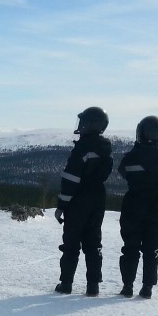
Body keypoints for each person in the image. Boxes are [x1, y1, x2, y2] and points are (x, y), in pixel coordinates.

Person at [54, 106, 113, 296]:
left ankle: (66, 283)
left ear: (91, 125)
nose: (80, 126)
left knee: (71, 243)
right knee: (94, 242)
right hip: (98, 197)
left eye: (84, 122)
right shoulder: (105, 148)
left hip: (78, 199)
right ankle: (93, 285)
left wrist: (62, 204)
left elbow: (71, 178)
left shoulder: (83, 148)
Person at [117, 116, 158, 299]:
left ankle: (127, 286)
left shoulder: (131, 157)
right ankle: (147, 287)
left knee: (130, 246)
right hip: (157, 204)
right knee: (153, 248)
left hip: (134, 203)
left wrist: (137, 149)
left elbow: (123, 171)